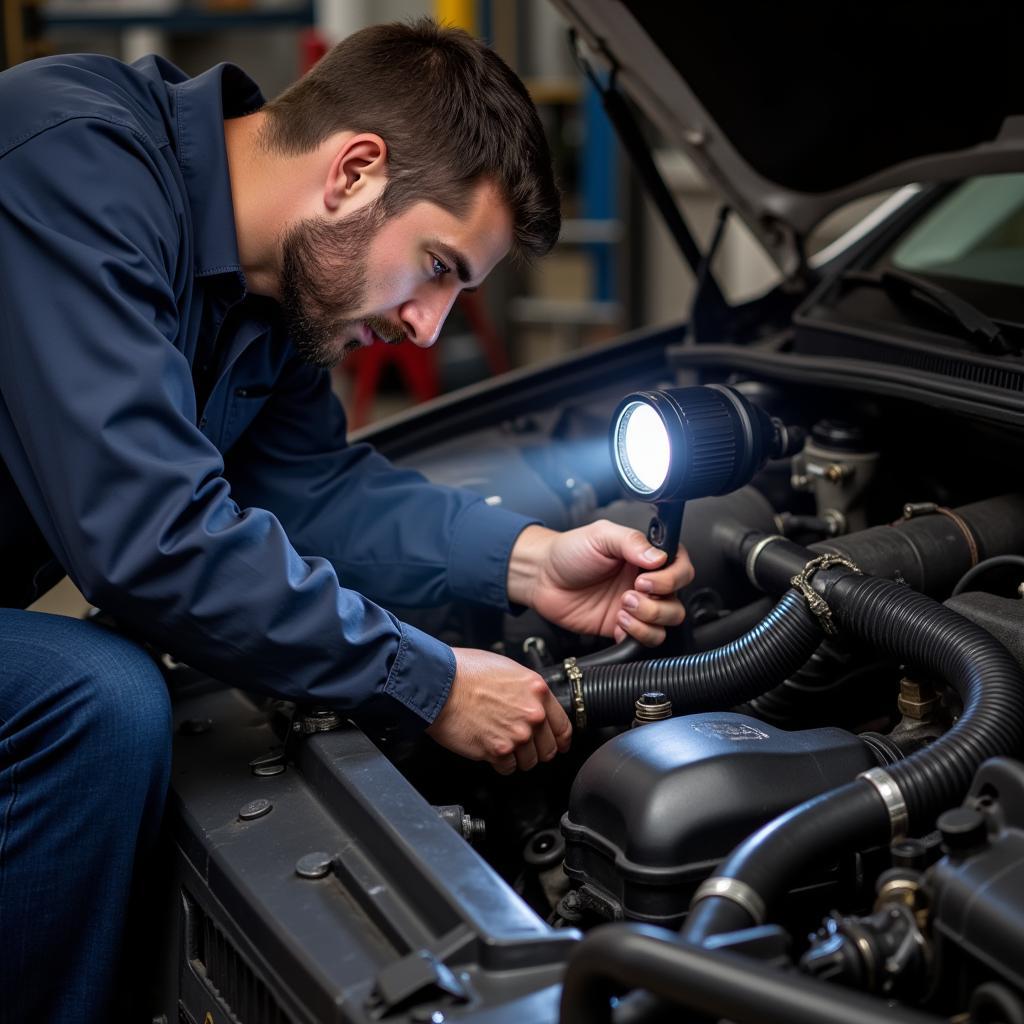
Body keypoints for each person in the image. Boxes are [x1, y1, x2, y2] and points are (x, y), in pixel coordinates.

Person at [0, 19, 693, 1022]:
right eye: (440, 267)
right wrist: (426, 681)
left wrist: (529, 561)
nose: (427, 325)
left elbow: (310, 489)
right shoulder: (70, 165)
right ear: (354, 172)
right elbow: (147, 540)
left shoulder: (269, 294)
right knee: (95, 700)